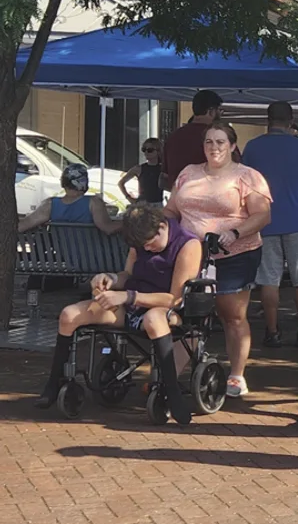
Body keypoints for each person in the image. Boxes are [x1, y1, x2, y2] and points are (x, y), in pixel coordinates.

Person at [35, 203, 202, 423]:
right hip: (132, 304)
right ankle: (55, 382)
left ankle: (171, 391)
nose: (148, 249)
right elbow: (127, 274)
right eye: (144, 247)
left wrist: (128, 296)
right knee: (69, 314)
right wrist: (111, 279)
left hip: (167, 308)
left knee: (153, 319)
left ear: (162, 227)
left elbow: (175, 298)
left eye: (151, 245)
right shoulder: (140, 242)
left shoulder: (188, 244)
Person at [165, 123, 272, 399]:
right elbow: (172, 210)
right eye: (209, 142)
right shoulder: (188, 173)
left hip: (235, 253)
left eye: (221, 142)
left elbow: (262, 215)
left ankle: (237, 375)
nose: (214, 148)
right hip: (191, 253)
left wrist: (234, 232)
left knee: (232, 315)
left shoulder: (248, 176)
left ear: (233, 146)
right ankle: (170, 374)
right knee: (187, 313)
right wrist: (156, 227)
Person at [242, 102, 298, 347]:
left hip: (263, 220)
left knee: (269, 279)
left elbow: (245, 184)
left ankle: (272, 331)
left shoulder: (253, 147)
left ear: (268, 119)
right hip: (297, 218)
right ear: (291, 119)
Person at [18, 162, 120, 235]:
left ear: (64, 183)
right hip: (91, 260)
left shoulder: (50, 205)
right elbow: (108, 228)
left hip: (62, 260)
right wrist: (129, 222)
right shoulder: (94, 203)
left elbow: (22, 225)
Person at [162, 90, 223, 187]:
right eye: (219, 111)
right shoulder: (218, 138)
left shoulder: (173, 137)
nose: (220, 114)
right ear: (211, 111)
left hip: (179, 197)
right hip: (210, 197)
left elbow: (165, 178)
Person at [121, 138, 165, 205]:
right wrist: (128, 197)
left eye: (150, 150)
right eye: (144, 150)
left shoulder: (163, 168)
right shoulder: (139, 168)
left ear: (158, 151)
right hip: (142, 204)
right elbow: (121, 183)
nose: (146, 153)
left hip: (158, 204)